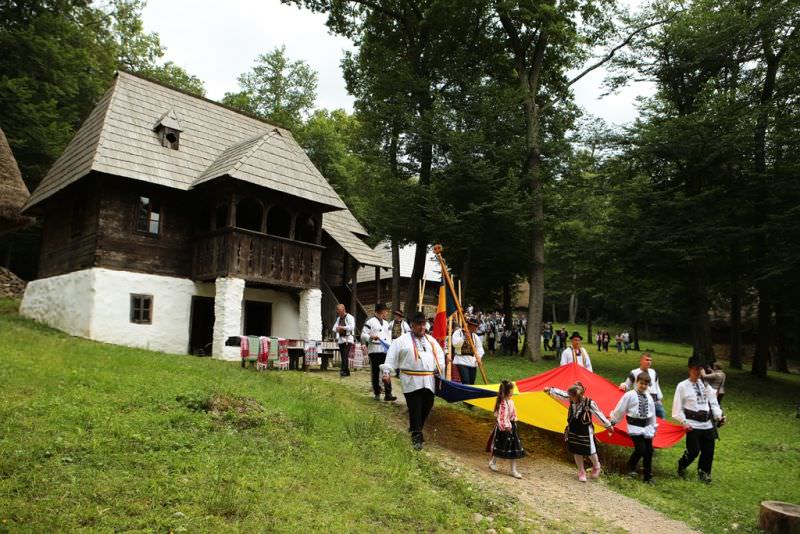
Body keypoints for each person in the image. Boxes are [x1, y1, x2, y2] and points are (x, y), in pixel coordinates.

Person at [381, 311, 446, 450]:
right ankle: (417, 436)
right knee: (415, 408)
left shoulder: (431, 340)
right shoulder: (401, 341)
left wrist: (440, 368)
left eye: (423, 324)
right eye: (418, 325)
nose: (421, 327)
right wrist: (387, 372)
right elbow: (391, 357)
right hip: (411, 380)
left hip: (428, 380)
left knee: (427, 405)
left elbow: (439, 356)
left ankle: (415, 427)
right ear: (412, 325)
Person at [672, 356, 726, 483]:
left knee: (708, 451)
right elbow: (676, 409)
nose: (698, 372)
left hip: (707, 424)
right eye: (695, 369)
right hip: (692, 424)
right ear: (690, 369)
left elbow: (713, 402)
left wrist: (719, 416)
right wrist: (684, 422)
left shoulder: (705, 386)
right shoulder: (682, 386)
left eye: (700, 369)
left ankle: (704, 474)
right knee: (694, 451)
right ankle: (682, 464)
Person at [545, 382, 613, 482]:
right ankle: (581, 471)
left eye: (572, 397)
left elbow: (599, 414)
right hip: (574, 428)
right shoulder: (571, 397)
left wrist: (608, 425)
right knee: (576, 450)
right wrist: (550, 390)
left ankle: (596, 465)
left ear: (578, 396)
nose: (570, 398)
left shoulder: (589, 403)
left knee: (590, 450)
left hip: (585, 430)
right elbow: (561, 394)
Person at [611, 373, 657, 483]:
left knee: (649, 451)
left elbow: (652, 413)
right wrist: (613, 420)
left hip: (647, 427)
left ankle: (647, 476)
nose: (643, 386)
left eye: (646, 384)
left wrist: (653, 426)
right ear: (636, 382)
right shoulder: (629, 395)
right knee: (641, 449)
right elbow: (621, 409)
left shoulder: (649, 397)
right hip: (634, 427)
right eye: (641, 383)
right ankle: (629, 467)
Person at [488, 380, 525, 479]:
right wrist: (507, 426)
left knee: (512, 448)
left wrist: (514, 423)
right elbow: (501, 416)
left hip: (511, 427)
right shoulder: (503, 403)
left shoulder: (510, 401)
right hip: (505, 428)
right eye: (512, 390)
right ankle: (493, 462)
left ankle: (513, 470)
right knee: (502, 446)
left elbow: (512, 414)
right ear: (507, 391)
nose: (513, 392)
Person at [361, 304, 396, 401]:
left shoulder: (386, 323)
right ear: (380, 311)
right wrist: (370, 337)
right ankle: (377, 392)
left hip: (385, 350)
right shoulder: (370, 322)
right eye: (386, 311)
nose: (387, 313)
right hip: (374, 350)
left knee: (386, 371)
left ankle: (388, 393)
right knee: (376, 372)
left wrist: (390, 347)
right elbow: (363, 334)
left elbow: (389, 337)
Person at [618, 353, 666, 418]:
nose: (649, 362)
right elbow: (627, 384)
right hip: (643, 402)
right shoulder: (634, 372)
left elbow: (656, 386)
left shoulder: (653, 372)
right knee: (648, 422)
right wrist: (623, 385)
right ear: (641, 361)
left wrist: (660, 398)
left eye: (650, 360)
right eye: (647, 360)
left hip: (656, 403)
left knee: (662, 422)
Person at [452, 317, 485, 385]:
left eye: (477, 326)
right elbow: (455, 344)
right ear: (470, 326)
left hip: (472, 362)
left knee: (472, 382)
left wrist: (479, 357)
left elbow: (479, 349)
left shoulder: (475, 336)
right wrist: (464, 338)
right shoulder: (458, 333)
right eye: (475, 326)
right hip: (461, 361)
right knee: (466, 381)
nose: (476, 328)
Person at [333, 303, 355, 377]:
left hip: (348, 339)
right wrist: (337, 328)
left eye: (339, 311)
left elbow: (352, 327)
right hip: (341, 339)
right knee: (343, 356)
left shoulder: (349, 317)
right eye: (338, 311)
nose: (338, 312)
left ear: (343, 310)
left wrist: (342, 327)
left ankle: (343, 371)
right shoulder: (338, 318)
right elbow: (334, 328)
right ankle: (347, 372)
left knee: (345, 354)